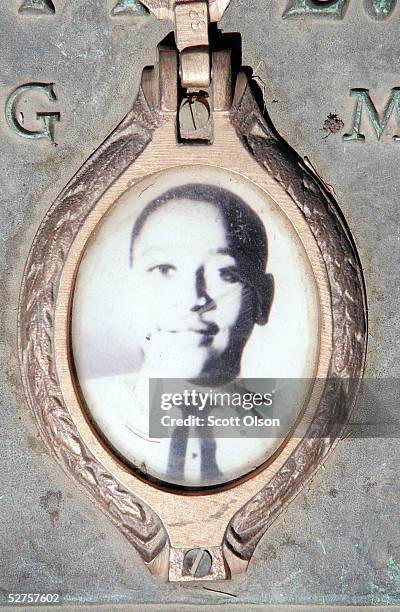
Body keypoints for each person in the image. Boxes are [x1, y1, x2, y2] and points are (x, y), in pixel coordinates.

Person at [127, 183, 275, 483]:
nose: (193, 299)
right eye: (163, 269)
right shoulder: (100, 414)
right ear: (128, 290)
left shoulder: (290, 428)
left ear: (264, 299)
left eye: (225, 273)